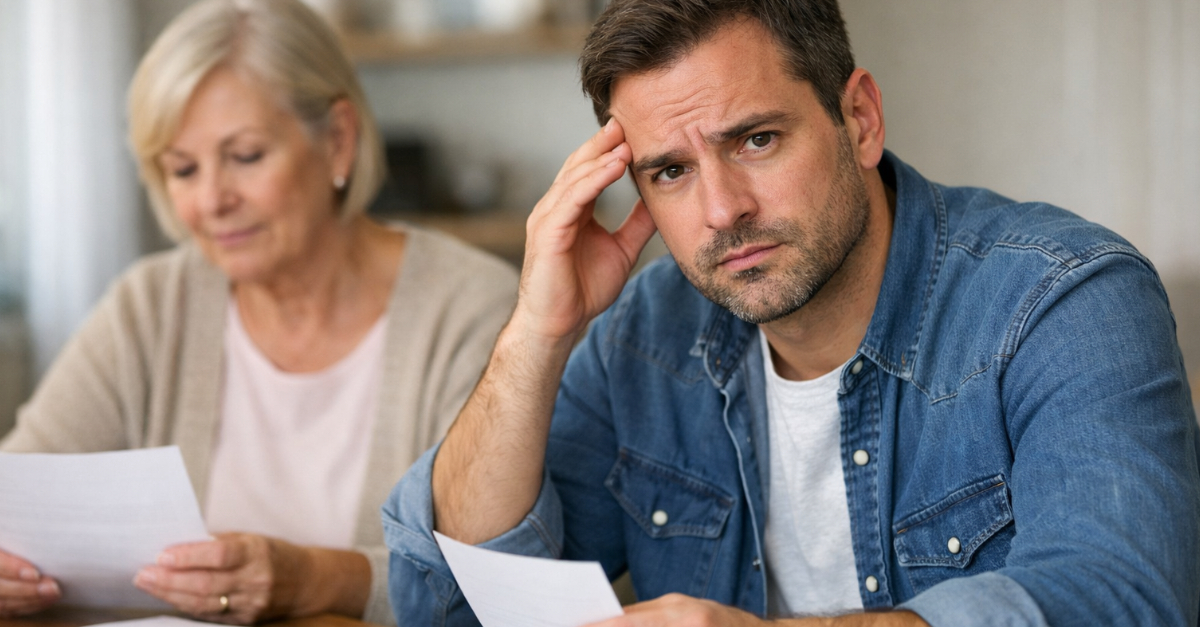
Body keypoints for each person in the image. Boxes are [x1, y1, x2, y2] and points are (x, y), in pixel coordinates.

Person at [382, 0, 1200, 625]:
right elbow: (450, 601)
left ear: (860, 120)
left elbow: (1122, 597)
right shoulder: (645, 333)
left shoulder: (1063, 299)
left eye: (756, 140)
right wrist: (538, 330)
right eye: (670, 172)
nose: (722, 210)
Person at [0, 0, 517, 624]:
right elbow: (18, 502)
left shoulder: (473, 312)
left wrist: (312, 579)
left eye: (244, 156)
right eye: (183, 169)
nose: (211, 200)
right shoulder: (150, 307)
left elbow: (493, 580)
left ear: (338, 140)